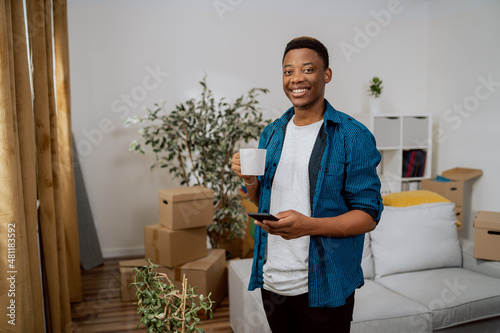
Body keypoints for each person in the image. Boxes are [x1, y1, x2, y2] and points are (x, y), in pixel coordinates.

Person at [231, 36, 383, 333]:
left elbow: (368, 216)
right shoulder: (272, 133)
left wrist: (307, 226)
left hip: (324, 285)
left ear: (326, 74)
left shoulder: (352, 135)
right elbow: (262, 200)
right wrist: (250, 180)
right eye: (288, 71)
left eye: (308, 69)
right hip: (273, 278)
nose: (296, 78)